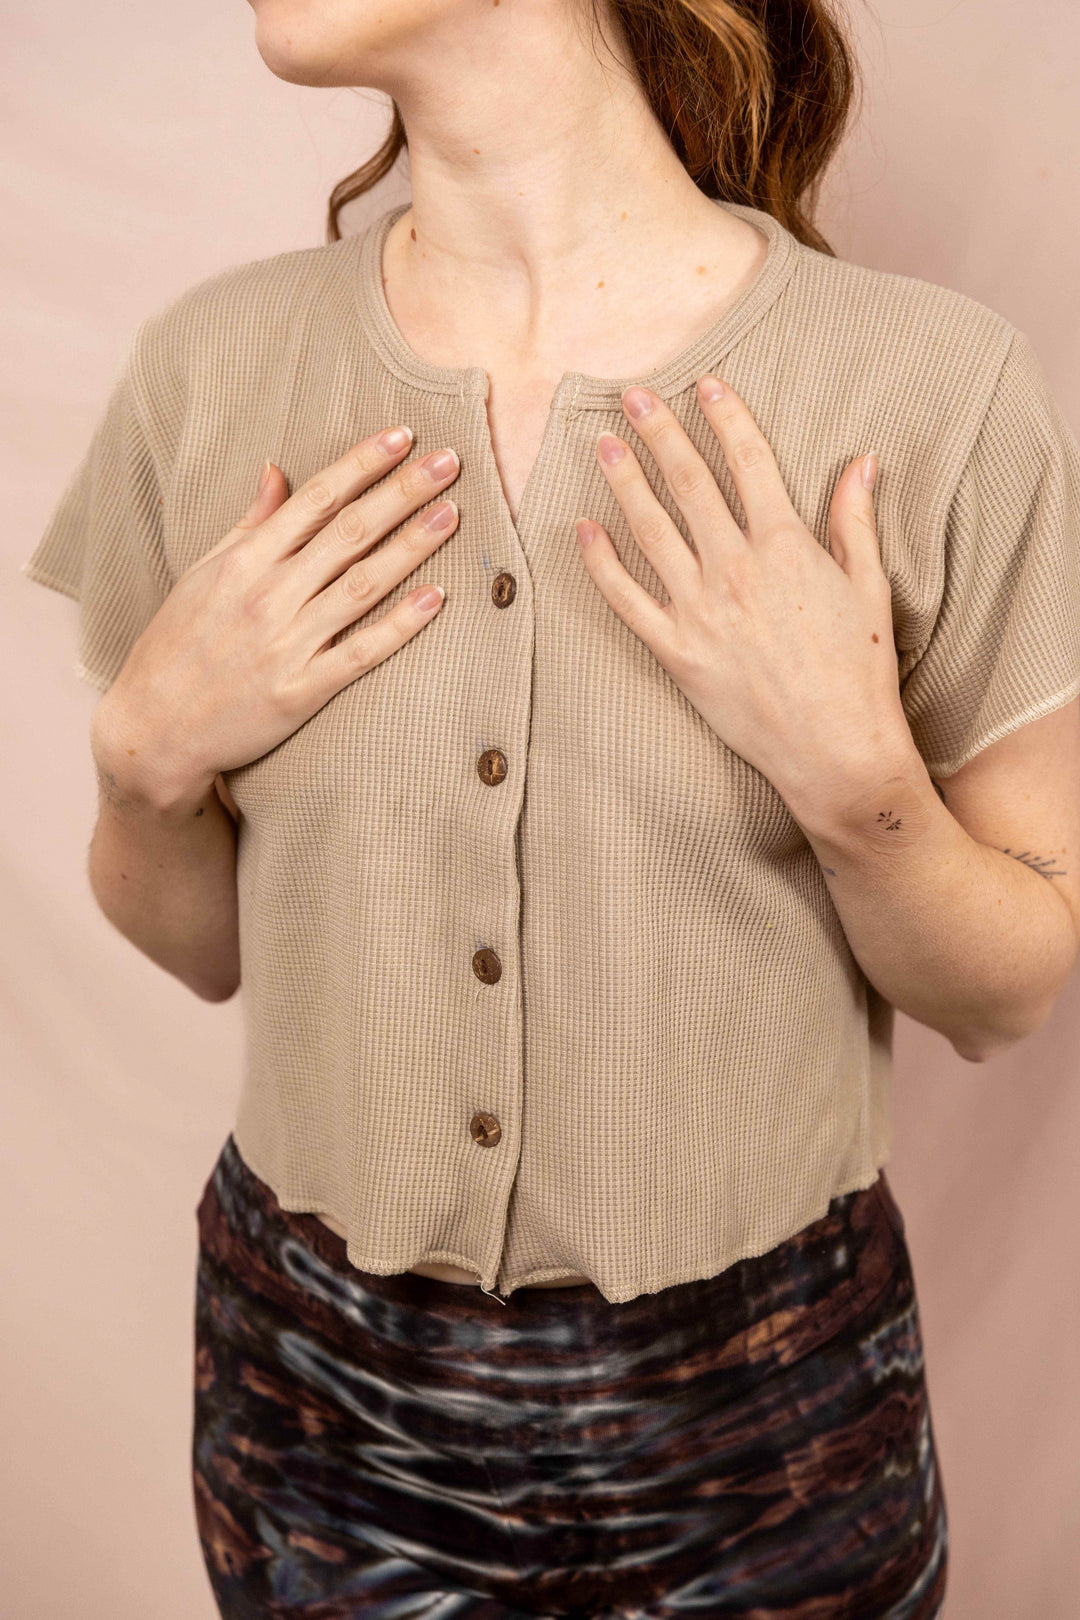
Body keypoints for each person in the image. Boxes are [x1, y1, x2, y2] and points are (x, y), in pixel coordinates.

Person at [22, 0, 1080, 1613]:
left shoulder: (933, 386)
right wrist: (143, 766)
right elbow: (200, 948)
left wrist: (860, 786)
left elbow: (1006, 997)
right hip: (322, 1409)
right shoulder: (210, 371)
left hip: (771, 1419)